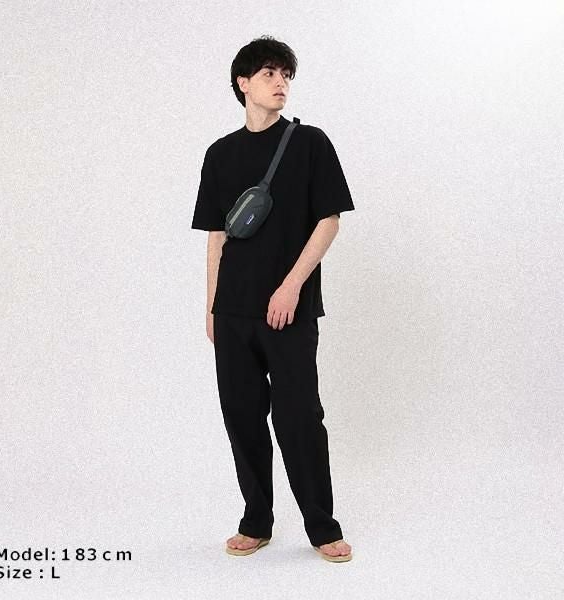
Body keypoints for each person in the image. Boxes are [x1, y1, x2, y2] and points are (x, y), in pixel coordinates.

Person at [191, 35, 355, 562]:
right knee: (241, 416)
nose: (280, 82)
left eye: (285, 74)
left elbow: (328, 221)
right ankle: (256, 520)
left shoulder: (309, 144)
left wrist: (290, 285)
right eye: (268, 73)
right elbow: (217, 235)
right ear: (243, 83)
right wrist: (211, 305)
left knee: (299, 417)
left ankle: (322, 526)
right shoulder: (220, 154)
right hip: (233, 310)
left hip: (289, 310)